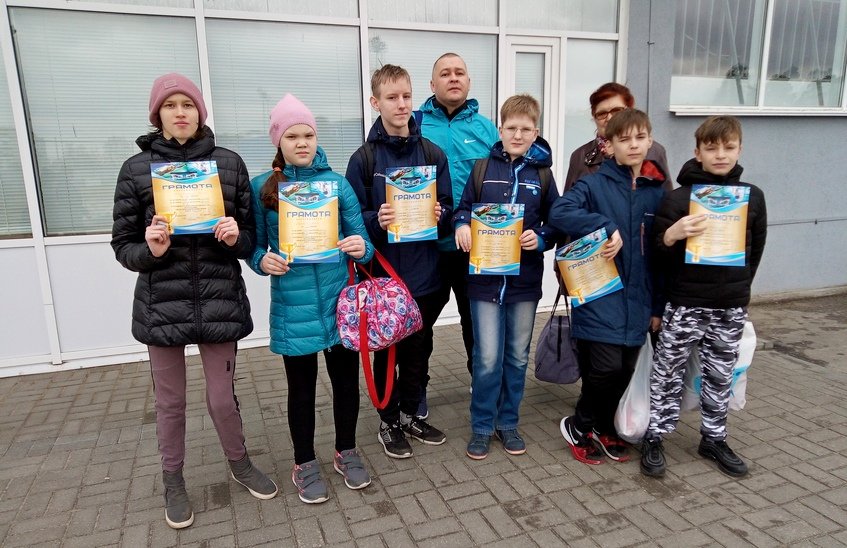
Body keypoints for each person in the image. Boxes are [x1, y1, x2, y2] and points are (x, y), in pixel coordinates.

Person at [111, 73, 277, 529]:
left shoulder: (228, 163)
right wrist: (152, 250)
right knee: (170, 403)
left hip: (219, 298)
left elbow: (250, 239)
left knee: (222, 399)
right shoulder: (136, 169)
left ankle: (239, 462)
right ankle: (173, 479)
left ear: (200, 112)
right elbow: (123, 246)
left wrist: (235, 237)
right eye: (170, 105)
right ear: (158, 115)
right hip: (162, 305)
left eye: (188, 104)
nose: (180, 112)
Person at [247, 94, 375, 503]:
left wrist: (360, 247)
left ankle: (346, 451)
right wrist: (261, 261)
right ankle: (303, 461)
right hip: (293, 306)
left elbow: (364, 243)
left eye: (308, 134)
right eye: (292, 136)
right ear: (278, 141)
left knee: (346, 384)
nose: (302, 142)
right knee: (300, 391)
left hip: (339, 304)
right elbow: (254, 247)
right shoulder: (262, 188)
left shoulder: (337, 185)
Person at [641, 116, 767, 478]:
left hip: (729, 307)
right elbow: (657, 256)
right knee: (667, 373)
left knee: (720, 376)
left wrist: (740, 291)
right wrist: (672, 234)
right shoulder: (678, 198)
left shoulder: (752, 198)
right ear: (698, 152)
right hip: (685, 303)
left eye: (728, 147)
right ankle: (655, 435)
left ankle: (713, 438)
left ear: (739, 149)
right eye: (712, 148)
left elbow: (755, 250)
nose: (720, 154)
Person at [548, 109, 667, 465]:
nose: (633, 145)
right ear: (610, 145)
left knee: (625, 371)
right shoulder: (594, 183)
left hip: (639, 300)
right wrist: (603, 226)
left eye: (640, 138)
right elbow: (559, 212)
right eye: (624, 139)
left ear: (650, 141)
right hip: (600, 295)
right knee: (604, 368)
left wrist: (657, 307)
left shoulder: (657, 192)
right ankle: (579, 425)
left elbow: (661, 256)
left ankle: (603, 427)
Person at [345, 64, 453, 459]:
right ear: (376, 103)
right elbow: (352, 219)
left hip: (424, 274)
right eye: (392, 97)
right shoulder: (364, 159)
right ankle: (388, 421)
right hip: (383, 277)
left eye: (406, 95)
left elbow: (448, 206)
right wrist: (377, 220)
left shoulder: (432, 153)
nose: (401, 104)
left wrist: (440, 213)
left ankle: (411, 414)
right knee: (386, 352)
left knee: (417, 352)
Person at [453, 94, 560, 460]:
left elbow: (556, 222)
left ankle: (508, 422)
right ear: (500, 129)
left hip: (524, 283)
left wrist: (541, 237)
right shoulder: (482, 168)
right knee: (486, 358)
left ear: (536, 132)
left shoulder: (543, 176)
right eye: (511, 128)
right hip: (483, 282)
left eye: (525, 129)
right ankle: (482, 425)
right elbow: (462, 209)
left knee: (516, 357)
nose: (517, 135)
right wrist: (461, 226)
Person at [418, 53, 500, 398]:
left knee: (476, 323)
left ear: (468, 81)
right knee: (419, 324)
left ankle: (480, 387)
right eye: (445, 73)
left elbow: (499, 182)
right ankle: (415, 393)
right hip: (427, 247)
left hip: (474, 247)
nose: (453, 78)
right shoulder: (415, 125)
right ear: (432, 84)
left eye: (460, 73)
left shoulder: (486, 129)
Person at [564, 82, 672, 193]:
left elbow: (666, 197)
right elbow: (569, 201)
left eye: (617, 111)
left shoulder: (654, 151)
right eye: (602, 114)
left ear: (630, 111)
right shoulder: (580, 157)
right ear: (594, 118)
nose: (609, 118)